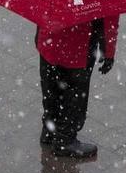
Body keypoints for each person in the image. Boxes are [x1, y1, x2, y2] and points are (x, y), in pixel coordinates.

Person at [36, 15, 119, 158]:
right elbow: (108, 19)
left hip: (49, 41)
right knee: (75, 93)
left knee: (51, 87)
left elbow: (38, 7)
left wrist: (39, 35)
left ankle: (50, 130)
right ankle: (64, 139)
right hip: (79, 46)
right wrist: (108, 51)